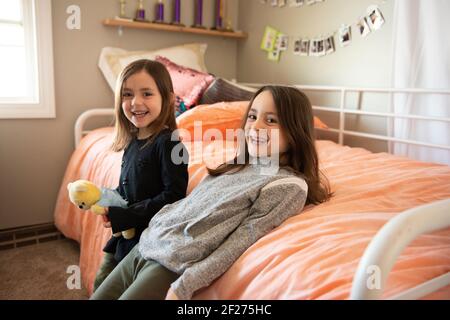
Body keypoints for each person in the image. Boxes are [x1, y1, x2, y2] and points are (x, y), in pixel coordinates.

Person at [91, 85, 332, 300]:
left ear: (295, 131)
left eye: (271, 121)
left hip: (170, 264)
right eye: (252, 116)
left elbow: (241, 240)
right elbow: (188, 204)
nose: (255, 126)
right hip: (146, 245)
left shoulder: (287, 186)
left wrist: (186, 285)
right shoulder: (236, 166)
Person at [92, 59, 189, 291]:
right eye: (127, 94)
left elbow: (174, 198)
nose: (136, 102)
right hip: (123, 237)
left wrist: (125, 215)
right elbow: (126, 190)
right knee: (100, 283)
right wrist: (103, 199)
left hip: (148, 239)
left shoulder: (170, 143)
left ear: (166, 99)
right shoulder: (133, 142)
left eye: (147, 94)